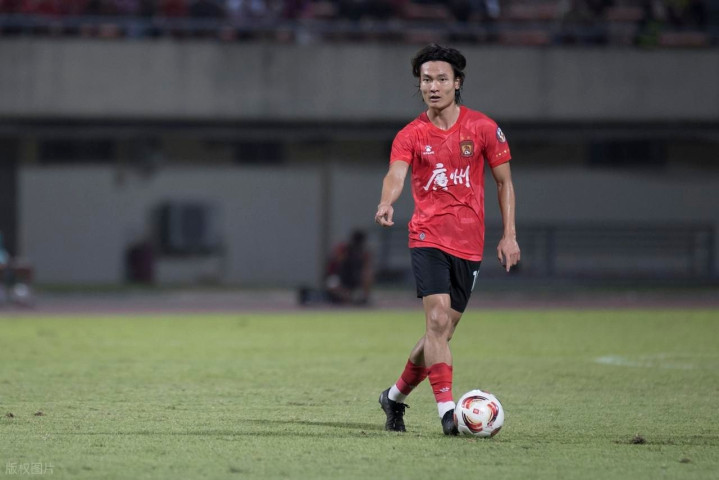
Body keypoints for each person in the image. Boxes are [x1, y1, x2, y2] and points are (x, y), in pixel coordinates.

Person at [374, 43, 520, 435]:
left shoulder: (483, 128)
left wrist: (509, 235)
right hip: (427, 236)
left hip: (469, 244)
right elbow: (396, 174)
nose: (433, 86)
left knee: (439, 335)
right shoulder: (410, 135)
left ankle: (394, 397)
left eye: (441, 79)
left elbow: (504, 182)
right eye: (426, 80)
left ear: (457, 82)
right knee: (437, 320)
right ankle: (448, 414)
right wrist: (387, 201)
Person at [325, 229, 373, 305]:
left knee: (367, 275)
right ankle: (350, 299)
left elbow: (367, 268)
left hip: (355, 279)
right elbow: (337, 262)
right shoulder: (344, 249)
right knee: (332, 284)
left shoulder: (364, 253)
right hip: (342, 279)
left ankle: (364, 298)